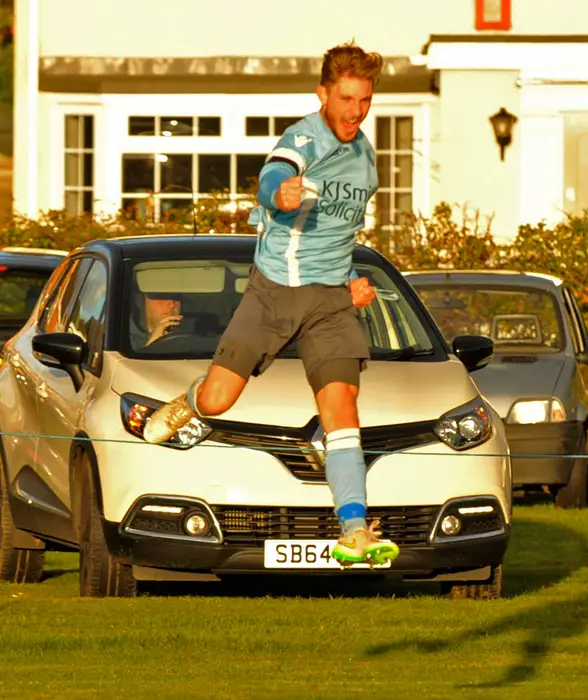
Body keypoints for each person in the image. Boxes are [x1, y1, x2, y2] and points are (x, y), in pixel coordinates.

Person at [139, 42, 399, 568]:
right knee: (218, 400)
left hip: (329, 300)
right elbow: (275, 173)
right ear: (323, 94)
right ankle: (188, 402)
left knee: (342, 409)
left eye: (364, 100)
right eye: (346, 98)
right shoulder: (305, 136)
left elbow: (340, 232)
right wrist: (277, 194)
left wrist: (351, 278)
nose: (355, 111)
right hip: (273, 291)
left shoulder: (367, 158)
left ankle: (354, 530)